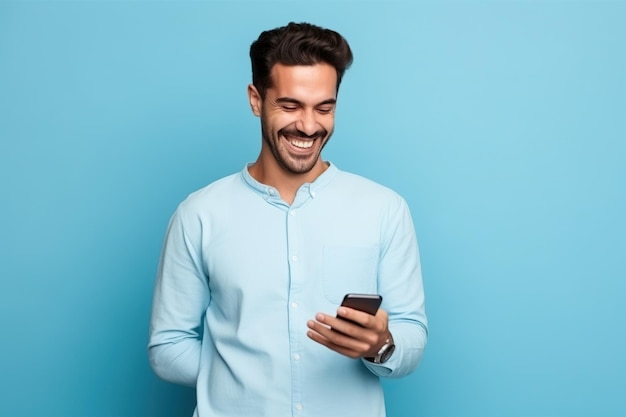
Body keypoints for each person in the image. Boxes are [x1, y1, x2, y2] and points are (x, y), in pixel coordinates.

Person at [148, 22, 428, 417]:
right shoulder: (199, 214)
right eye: (291, 105)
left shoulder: (384, 209)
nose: (309, 126)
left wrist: (381, 346)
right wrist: (243, 382)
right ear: (256, 99)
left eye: (324, 108)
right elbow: (167, 346)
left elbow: (411, 332)